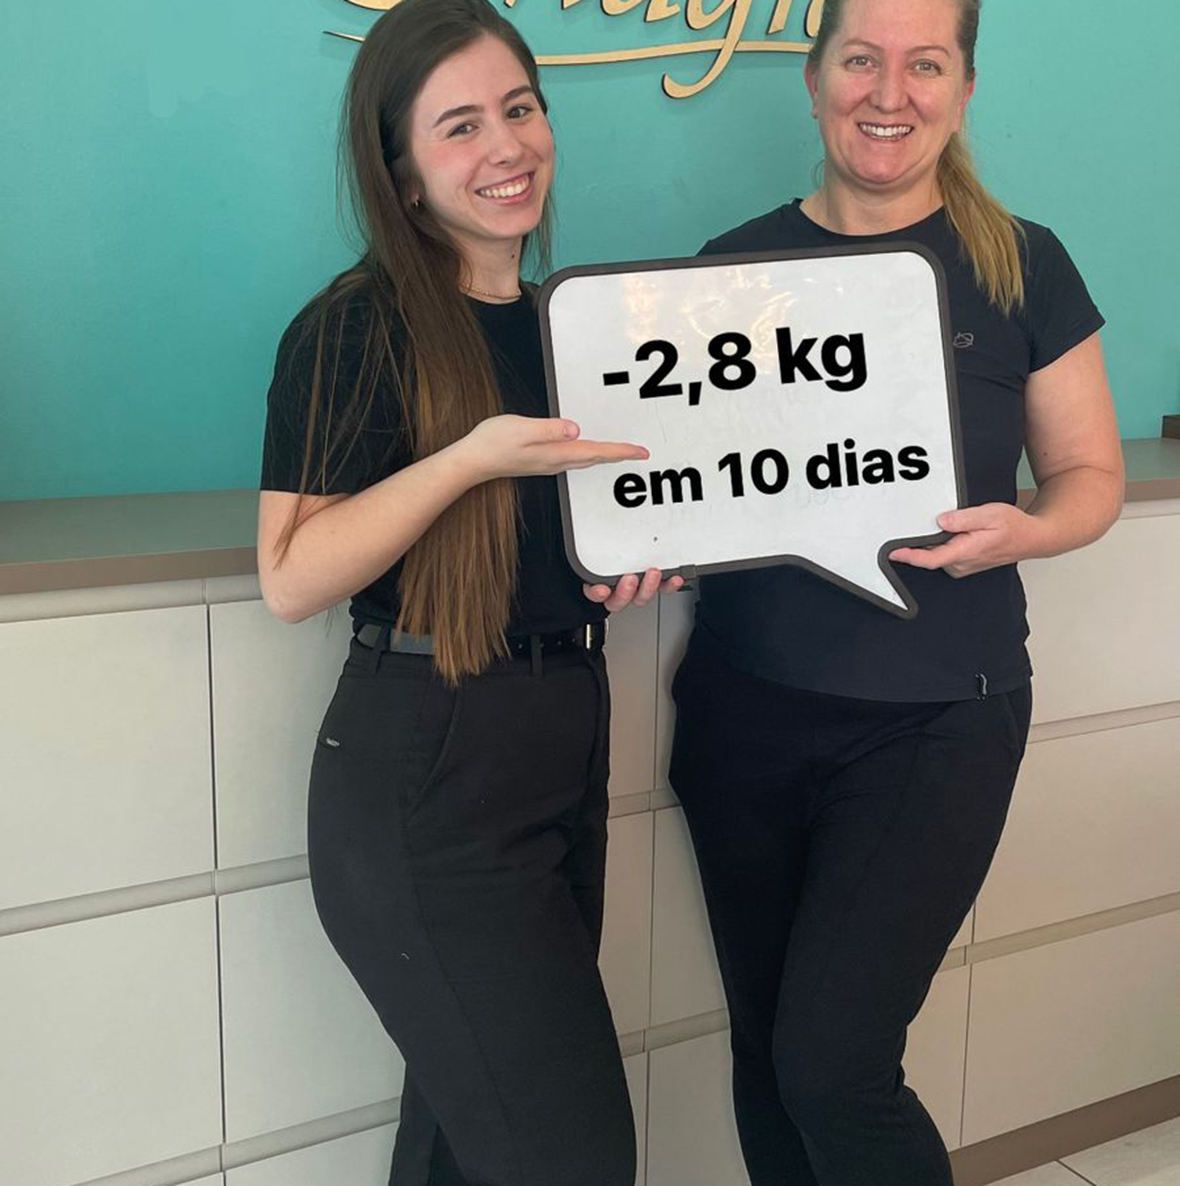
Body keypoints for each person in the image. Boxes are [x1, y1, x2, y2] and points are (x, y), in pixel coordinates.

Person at [667, 1, 1124, 1184]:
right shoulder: (728, 270)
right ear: (813, 78)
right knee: (768, 1050)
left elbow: (1090, 477)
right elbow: (697, 487)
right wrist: (648, 536)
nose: (888, 92)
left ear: (962, 91)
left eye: (924, 64)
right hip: (741, 716)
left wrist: (1028, 529)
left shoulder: (1022, 264)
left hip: (937, 721)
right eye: (860, 59)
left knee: (832, 1065)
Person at [256, 1, 671, 1181]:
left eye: (519, 109)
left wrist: (624, 566)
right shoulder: (354, 328)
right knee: (572, 1157)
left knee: (461, 1144)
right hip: (425, 775)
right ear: (403, 171)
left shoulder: (568, 326)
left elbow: (551, 544)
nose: (505, 146)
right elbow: (290, 574)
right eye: (459, 127)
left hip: (559, 741)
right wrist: (469, 458)